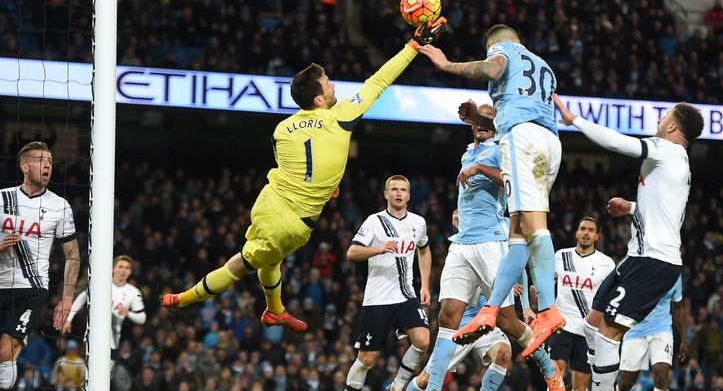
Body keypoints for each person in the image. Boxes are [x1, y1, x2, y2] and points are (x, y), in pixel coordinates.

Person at [162, 20, 447, 332]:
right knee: (240, 264)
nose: (334, 85)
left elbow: (297, 167)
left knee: (270, 260)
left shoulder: (281, 128)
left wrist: (327, 184)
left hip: (269, 202)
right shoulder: (340, 117)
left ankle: (275, 310)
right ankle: (185, 298)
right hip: (292, 224)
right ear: (319, 100)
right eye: (328, 83)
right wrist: (413, 46)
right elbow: (378, 82)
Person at [420, 24, 564, 356]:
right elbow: (525, 113)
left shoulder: (503, 51)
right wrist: (479, 121)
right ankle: (490, 309)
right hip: (549, 143)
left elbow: (493, 68)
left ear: (495, 44)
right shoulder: (543, 65)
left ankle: (547, 311)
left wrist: (447, 65)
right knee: (518, 231)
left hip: (522, 141)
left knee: (531, 227)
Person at [554, 94, 704, 391]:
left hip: (653, 261)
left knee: (608, 335)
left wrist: (575, 121)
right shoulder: (678, 162)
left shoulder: (666, 150)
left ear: (673, 127)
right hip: (639, 258)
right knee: (591, 325)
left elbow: (618, 143)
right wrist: (632, 207)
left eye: (664, 116)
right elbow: (667, 213)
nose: (659, 120)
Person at [419, 105, 563, 391]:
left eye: (490, 118)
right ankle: (434, 387)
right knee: (447, 315)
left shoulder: (500, 148)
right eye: (480, 118)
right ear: (473, 125)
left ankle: (549, 367)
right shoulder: (466, 152)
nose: (484, 122)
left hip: (491, 242)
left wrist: (482, 168)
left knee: (508, 322)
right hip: (462, 243)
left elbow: (513, 180)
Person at [0, 141, 79, 389]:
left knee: (5, 351)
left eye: (51, 162)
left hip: (30, 288)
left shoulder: (60, 206)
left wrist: (66, 299)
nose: (48, 165)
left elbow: (73, 256)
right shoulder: (3, 199)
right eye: (41, 160)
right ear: (25, 166)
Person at [344, 175, 431, 391]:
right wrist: (379, 248)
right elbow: (352, 252)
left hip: (406, 295)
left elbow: (425, 249)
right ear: (386, 194)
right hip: (377, 298)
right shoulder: (374, 221)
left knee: (422, 340)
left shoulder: (418, 223)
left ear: (409, 195)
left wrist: (425, 285)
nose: (399, 193)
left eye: (403, 190)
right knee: (366, 359)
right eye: (394, 189)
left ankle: (398, 386)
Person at [549, 217, 615, 391]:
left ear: (597, 236)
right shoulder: (561, 256)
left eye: (590, 230)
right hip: (560, 325)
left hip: (587, 330)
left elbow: (610, 297)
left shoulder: (607, 263)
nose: (586, 233)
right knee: (555, 375)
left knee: (580, 386)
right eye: (583, 229)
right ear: (577, 233)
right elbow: (548, 282)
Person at [407, 293, 511, 391]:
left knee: (504, 354)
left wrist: (525, 307)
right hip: (458, 326)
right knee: (424, 381)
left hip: (484, 322)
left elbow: (517, 275)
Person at [64, 255, 146, 368]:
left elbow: (142, 318)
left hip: (113, 340)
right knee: (91, 372)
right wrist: (69, 319)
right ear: (113, 268)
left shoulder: (133, 292)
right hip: (93, 335)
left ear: (131, 271)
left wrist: (128, 313)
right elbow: (82, 297)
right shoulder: (100, 283)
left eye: (127, 268)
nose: (123, 270)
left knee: (106, 379)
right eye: (120, 266)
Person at [617, 277, 687, 391]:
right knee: (626, 382)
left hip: (662, 328)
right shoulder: (638, 265)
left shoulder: (675, 270)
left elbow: (678, 306)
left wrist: (684, 339)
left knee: (661, 372)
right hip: (635, 328)